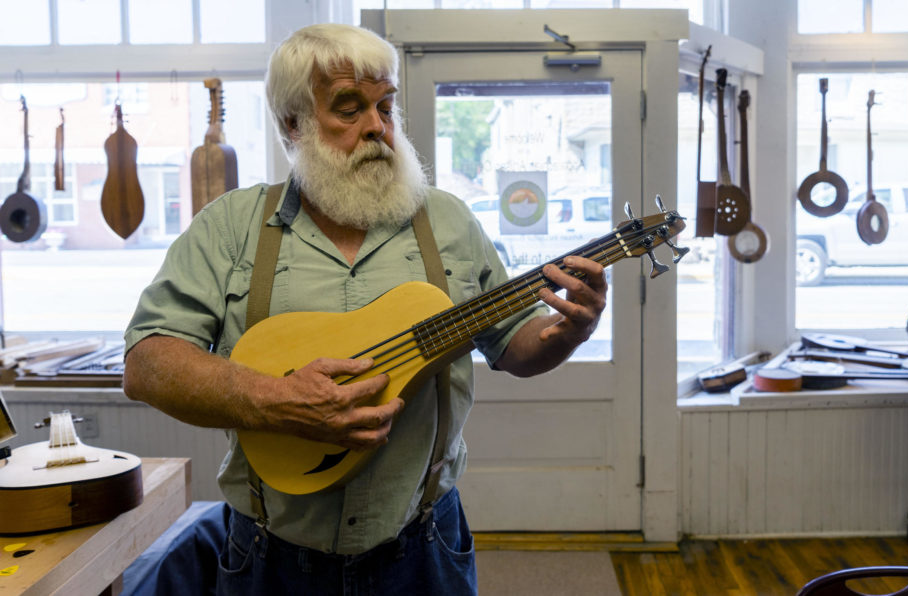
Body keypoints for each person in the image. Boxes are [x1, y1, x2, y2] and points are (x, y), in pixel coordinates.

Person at [122, 22, 607, 595]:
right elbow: (148, 363)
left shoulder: (449, 221)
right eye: (349, 108)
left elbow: (513, 348)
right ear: (293, 124)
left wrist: (568, 332)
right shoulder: (232, 227)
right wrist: (277, 401)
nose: (378, 127)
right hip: (268, 556)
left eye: (385, 106)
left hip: (425, 550)